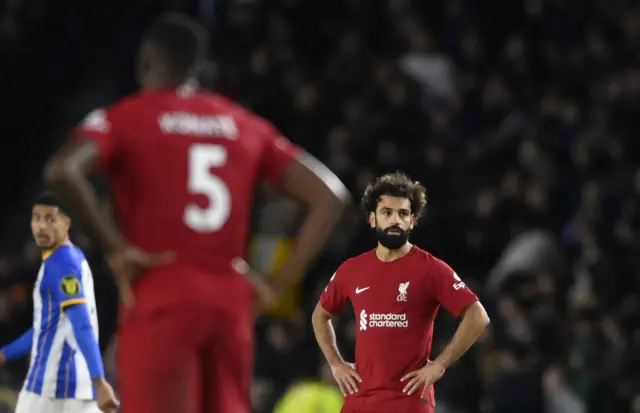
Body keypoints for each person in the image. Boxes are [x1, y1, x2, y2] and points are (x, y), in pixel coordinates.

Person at [44, 12, 350, 413]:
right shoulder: (244, 124)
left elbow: (63, 171)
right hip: (229, 302)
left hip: (161, 291)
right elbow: (331, 196)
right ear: (199, 70)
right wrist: (276, 285)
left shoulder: (130, 115)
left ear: (145, 63)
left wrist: (116, 247)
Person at [312, 172, 490, 413]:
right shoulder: (352, 270)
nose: (395, 220)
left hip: (407, 402)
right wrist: (336, 363)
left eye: (403, 214)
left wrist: (440, 364)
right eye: (387, 212)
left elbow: (478, 316)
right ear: (372, 219)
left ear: (412, 221)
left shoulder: (430, 269)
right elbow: (320, 315)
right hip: (360, 401)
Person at [0, 192, 118, 413]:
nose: (42, 226)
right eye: (37, 219)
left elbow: (80, 323)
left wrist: (99, 381)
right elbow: (48, 326)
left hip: (61, 386)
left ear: (66, 223)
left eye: (50, 219)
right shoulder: (59, 260)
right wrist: (7, 353)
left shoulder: (64, 265)